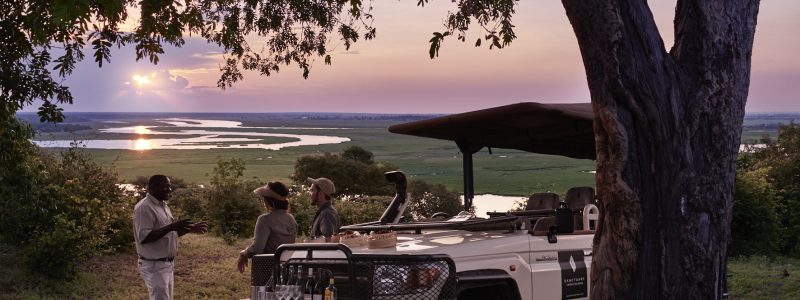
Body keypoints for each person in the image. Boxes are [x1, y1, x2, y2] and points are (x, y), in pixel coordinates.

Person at [133, 175, 208, 300]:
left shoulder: (163, 206)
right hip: (154, 266)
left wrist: (188, 229)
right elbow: (144, 237)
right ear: (152, 188)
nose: (169, 189)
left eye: (170, 186)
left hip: (167, 264)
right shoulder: (144, 208)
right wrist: (172, 226)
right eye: (165, 186)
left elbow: (168, 235)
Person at [237, 181, 298, 273]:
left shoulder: (264, 220)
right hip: (287, 270)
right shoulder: (291, 218)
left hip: (268, 269)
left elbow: (257, 248)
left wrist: (243, 253)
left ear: (269, 200)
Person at [307, 177, 340, 242]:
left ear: (320, 194)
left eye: (312, 190)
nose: (309, 193)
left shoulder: (326, 214)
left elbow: (328, 242)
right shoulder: (326, 211)